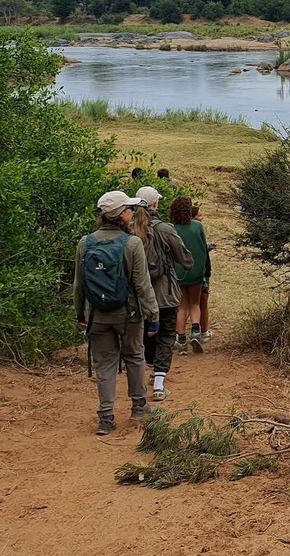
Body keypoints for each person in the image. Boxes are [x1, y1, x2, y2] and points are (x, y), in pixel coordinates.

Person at [74, 191, 159, 435]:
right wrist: (153, 316)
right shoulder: (132, 244)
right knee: (133, 356)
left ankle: (106, 417)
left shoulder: (85, 243)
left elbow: (79, 284)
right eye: (129, 209)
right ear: (121, 214)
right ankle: (139, 406)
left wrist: (80, 314)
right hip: (128, 315)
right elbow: (143, 285)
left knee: (104, 364)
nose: (132, 213)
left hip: (96, 315)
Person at [133, 186, 193, 401]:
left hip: (138, 295)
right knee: (167, 335)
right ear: (155, 204)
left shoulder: (129, 228)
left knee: (145, 334)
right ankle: (159, 383)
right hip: (164, 293)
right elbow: (185, 259)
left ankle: (149, 368)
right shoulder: (165, 229)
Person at [170, 196, 210, 355]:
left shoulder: (171, 228)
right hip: (196, 271)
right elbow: (203, 250)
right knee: (195, 303)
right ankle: (195, 332)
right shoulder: (198, 227)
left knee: (181, 306)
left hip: (178, 273)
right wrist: (205, 270)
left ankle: (181, 339)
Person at [194, 205, 215, 341]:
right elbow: (199, 250)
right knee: (202, 302)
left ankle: (180, 335)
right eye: (199, 216)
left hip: (184, 274)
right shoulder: (196, 229)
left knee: (184, 305)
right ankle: (203, 332)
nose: (202, 218)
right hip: (200, 273)